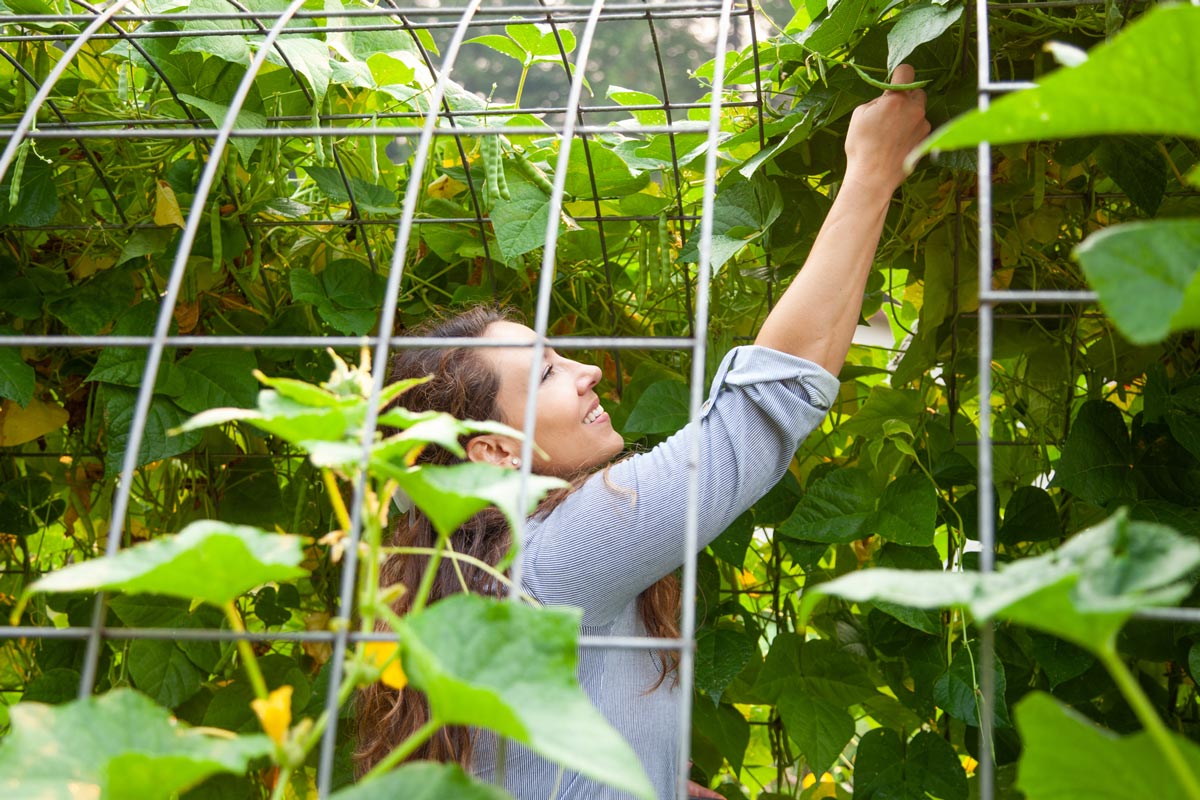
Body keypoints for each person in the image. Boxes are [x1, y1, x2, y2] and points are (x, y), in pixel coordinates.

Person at [355, 65, 931, 799]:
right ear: (495, 453)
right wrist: (872, 171)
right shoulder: (554, 554)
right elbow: (765, 406)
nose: (589, 372)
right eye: (548, 375)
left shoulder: (476, 566)